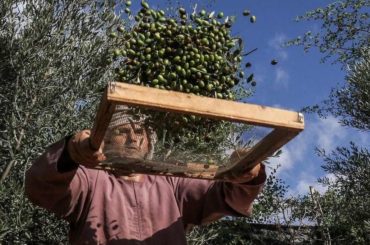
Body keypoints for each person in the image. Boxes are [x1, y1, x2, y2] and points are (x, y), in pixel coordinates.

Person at [25, 106, 266, 244]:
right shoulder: (91, 179)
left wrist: (248, 174)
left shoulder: (171, 183)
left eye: (140, 131)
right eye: (122, 131)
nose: (134, 138)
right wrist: (69, 152)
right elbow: (42, 186)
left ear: (149, 141)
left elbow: (224, 195)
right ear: (105, 139)